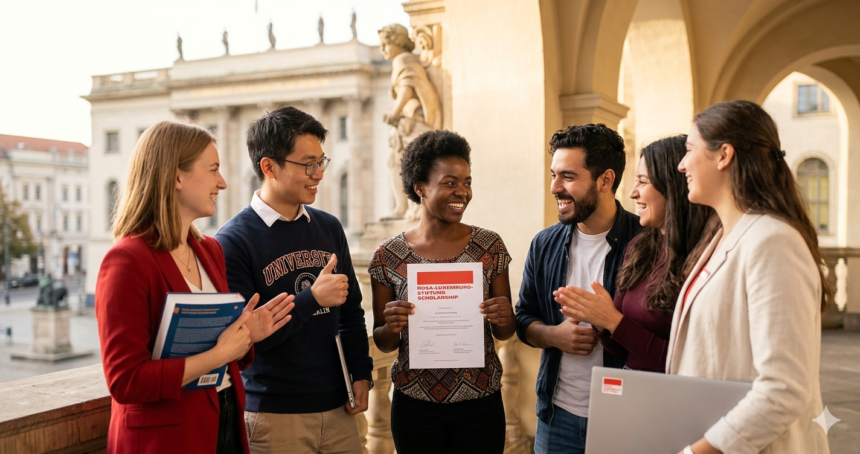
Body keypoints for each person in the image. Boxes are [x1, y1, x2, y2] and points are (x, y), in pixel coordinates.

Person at [96, 121, 294, 454]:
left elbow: (223, 354)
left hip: (224, 421)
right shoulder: (127, 260)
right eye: (213, 169)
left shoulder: (210, 250)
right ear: (177, 176)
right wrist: (220, 353)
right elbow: (125, 381)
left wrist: (247, 336)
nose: (223, 183)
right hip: (166, 440)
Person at [668, 100, 830, 454]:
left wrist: (698, 452)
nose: (681, 165)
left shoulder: (773, 241)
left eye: (689, 150)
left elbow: (783, 390)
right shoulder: (721, 237)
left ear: (724, 155)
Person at [215, 106, 372, 454]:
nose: (318, 174)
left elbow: (351, 313)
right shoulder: (233, 241)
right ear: (268, 166)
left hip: (340, 406)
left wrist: (360, 372)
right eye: (307, 164)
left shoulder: (329, 227)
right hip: (273, 416)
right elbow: (243, 342)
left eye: (321, 162)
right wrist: (311, 300)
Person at [369, 130, 515, 454]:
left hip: (481, 405)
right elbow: (384, 342)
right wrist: (390, 325)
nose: (461, 191)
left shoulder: (489, 246)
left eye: (467, 182)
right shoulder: (388, 255)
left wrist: (505, 315)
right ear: (420, 187)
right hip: (415, 407)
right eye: (450, 182)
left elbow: (504, 333)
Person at [515, 123, 640, 454]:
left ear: (605, 180)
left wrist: (611, 321)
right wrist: (554, 336)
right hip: (557, 419)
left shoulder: (647, 242)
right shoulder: (543, 244)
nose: (555, 187)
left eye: (567, 177)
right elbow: (523, 318)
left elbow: (668, 335)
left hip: (627, 420)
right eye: (553, 175)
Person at [554, 135, 713, 372]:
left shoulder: (705, 257)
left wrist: (613, 321)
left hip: (676, 399)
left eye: (642, 181)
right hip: (634, 392)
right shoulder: (640, 247)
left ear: (673, 187)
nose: (632, 193)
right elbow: (620, 349)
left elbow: (690, 362)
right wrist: (600, 318)